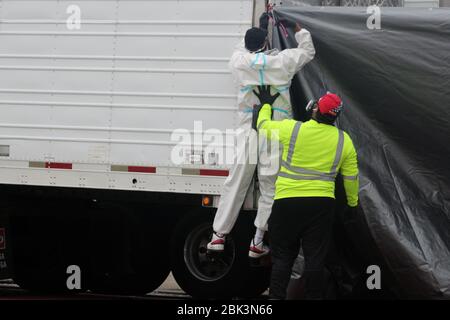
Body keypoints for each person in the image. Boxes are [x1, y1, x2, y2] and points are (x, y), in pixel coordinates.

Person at [207, 20, 316, 259]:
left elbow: (241, 48)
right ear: (266, 43)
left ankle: (218, 236)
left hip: (249, 129)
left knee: (236, 183)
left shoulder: (239, 62)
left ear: (247, 45)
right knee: (270, 186)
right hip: (276, 131)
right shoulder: (282, 62)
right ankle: (257, 240)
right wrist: (298, 29)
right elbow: (308, 51)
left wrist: (258, 29)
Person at [253, 86, 359, 299]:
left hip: (287, 203)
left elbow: (262, 126)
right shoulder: (343, 140)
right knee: (315, 260)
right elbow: (351, 177)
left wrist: (265, 105)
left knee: (282, 259)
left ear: (315, 109)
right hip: (321, 206)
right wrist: (353, 204)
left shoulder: (293, 129)